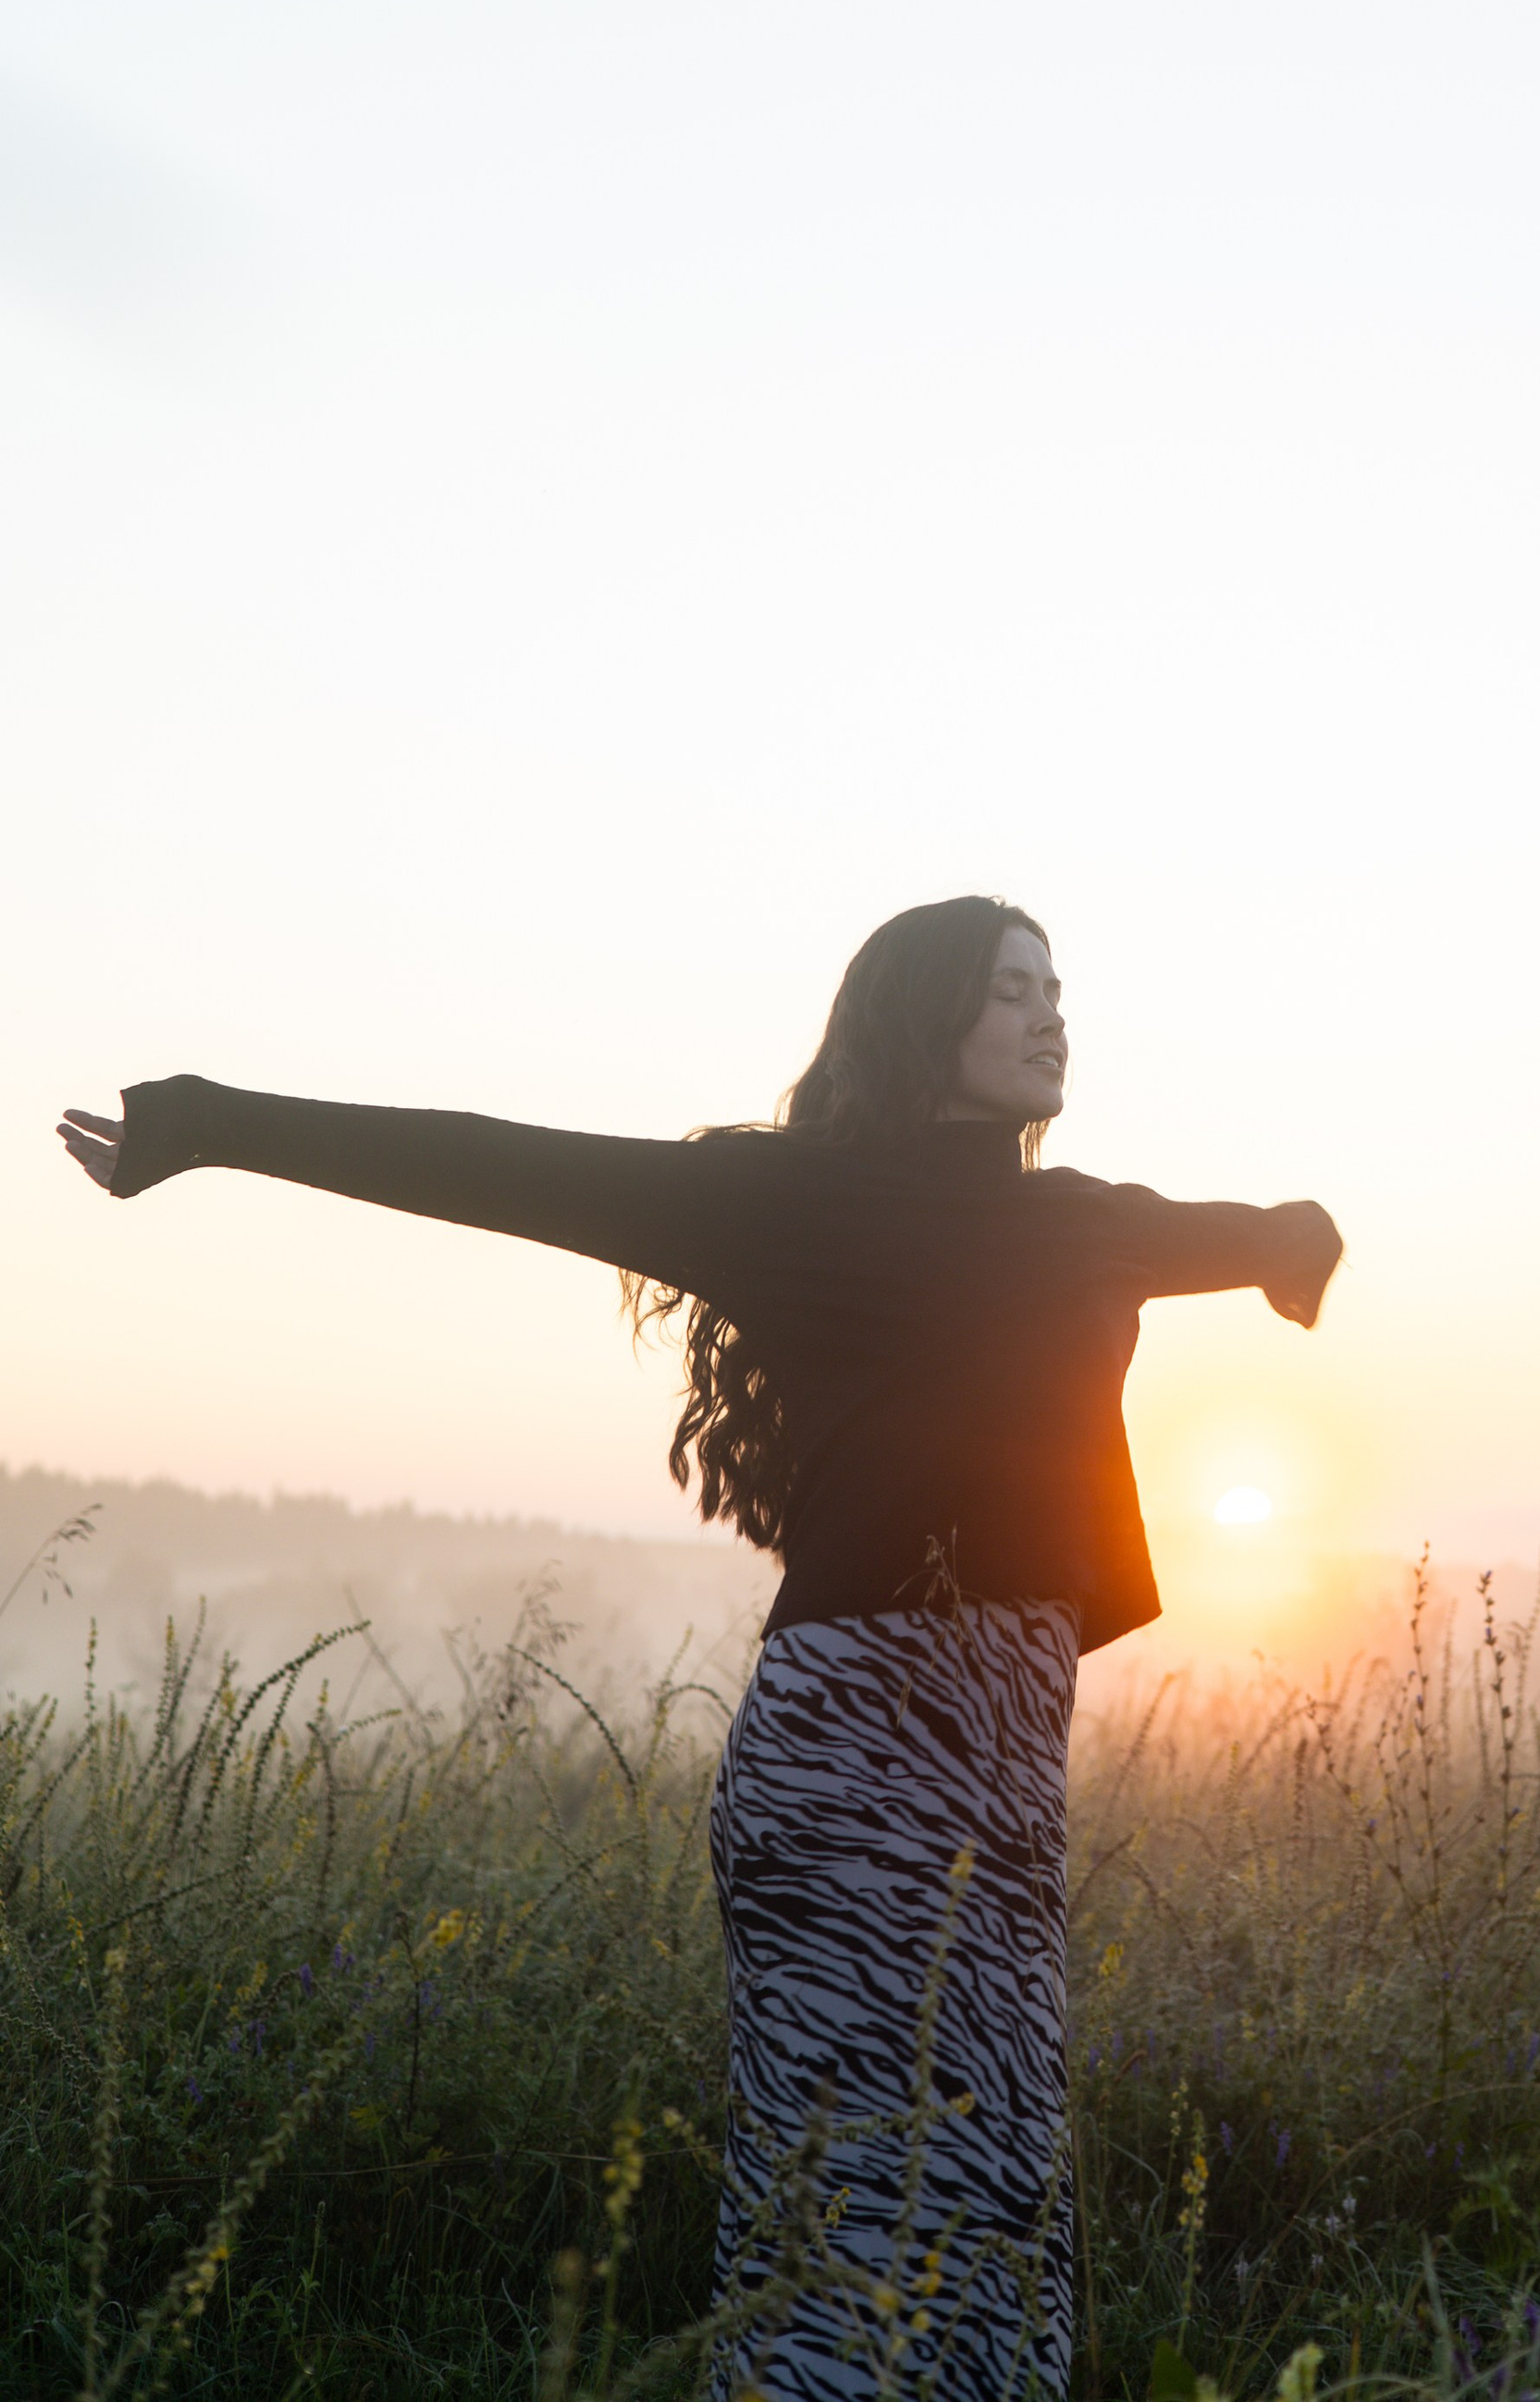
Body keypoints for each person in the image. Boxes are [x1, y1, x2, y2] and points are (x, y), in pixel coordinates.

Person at [58, 893, 1342, 2402]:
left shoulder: (1083, 1225)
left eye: (1058, 988)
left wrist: (1295, 1246)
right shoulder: (790, 1200)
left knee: (996, 2180)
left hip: (1001, 1781)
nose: (1052, 1015)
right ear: (921, 1016)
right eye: (1012, 991)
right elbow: (492, 1161)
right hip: (852, 1757)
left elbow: (1257, 1232)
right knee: (855, 2195)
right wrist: (204, 1121)